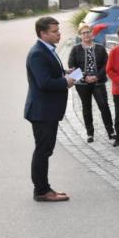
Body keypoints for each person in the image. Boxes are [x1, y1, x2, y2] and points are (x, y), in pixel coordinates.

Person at [24, 16, 74, 202]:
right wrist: (65, 81)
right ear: (42, 33)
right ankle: (42, 191)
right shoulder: (37, 53)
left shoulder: (48, 49)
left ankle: (44, 188)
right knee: (43, 151)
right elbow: (43, 82)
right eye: (54, 31)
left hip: (47, 110)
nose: (59, 33)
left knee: (45, 150)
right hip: (42, 111)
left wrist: (64, 73)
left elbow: (49, 73)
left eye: (58, 30)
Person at [67, 22, 115, 143]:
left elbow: (106, 64)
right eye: (83, 33)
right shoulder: (75, 49)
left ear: (92, 34)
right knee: (86, 107)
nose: (86, 34)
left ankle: (111, 131)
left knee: (104, 106)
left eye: (88, 32)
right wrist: (84, 77)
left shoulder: (100, 48)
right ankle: (90, 134)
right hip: (82, 84)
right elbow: (71, 66)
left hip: (98, 82)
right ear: (80, 35)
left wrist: (97, 77)